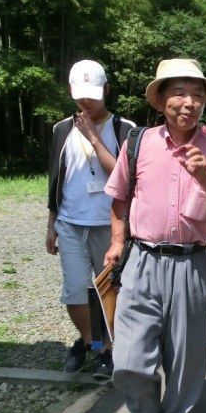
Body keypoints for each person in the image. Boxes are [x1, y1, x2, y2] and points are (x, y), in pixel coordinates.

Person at [104, 58, 206, 413]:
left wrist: (205, 178)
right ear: (161, 100)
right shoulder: (137, 144)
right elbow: (119, 196)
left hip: (191, 262)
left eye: (197, 95)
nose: (189, 102)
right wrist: (118, 242)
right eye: (179, 93)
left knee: (185, 353)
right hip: (141, 258)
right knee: (130, 354)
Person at [46, 59, 135, 378]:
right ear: (71, 91)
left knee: (109, 291)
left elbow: (125, 177)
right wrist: (51, 224)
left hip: (110, 225)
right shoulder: (61, 130)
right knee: (74, 291)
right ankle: (92, 344)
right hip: (70, 223)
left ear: (107, 90)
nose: (86, 101)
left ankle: (109, 347)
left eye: (93, 94)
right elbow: (57, 178)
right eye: (80, 94)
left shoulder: (125, 129)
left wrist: (94, 138)